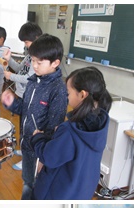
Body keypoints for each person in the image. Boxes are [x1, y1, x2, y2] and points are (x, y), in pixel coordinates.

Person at [1, 34, 67, 200]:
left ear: (55, 63)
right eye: (33, 61)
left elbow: (55, 126)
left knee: (38, 188)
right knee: (28, 182)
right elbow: (26, 109)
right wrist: (12, 103)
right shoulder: (33, 80)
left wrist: (44, 156)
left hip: (41, 151)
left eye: (39, 62)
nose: (34, 66)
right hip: (27, 144)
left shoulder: (58, 89)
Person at [31, 67, 113, 200]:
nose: (66, 96)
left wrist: (37, 138)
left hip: (58, 193)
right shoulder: (101, 121)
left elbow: (49, 157)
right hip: (84, 189)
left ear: (82, 94)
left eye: (68, 93)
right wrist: (61, 136)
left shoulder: (69, 130)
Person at [0, 22, 43, 170]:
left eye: (26, 42)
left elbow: (30, 78)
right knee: (23, 127)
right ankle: (24, 151)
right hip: (22, 95)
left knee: (30, 129)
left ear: (36, 38)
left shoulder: (39, 57)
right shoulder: (29, 55)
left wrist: (10, 76)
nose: (25, 45)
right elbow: (19, 69)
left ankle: (28, 160)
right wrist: (9, 59)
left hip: (31, 97)